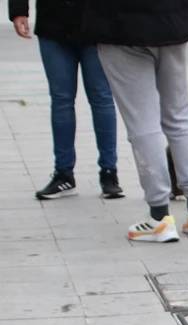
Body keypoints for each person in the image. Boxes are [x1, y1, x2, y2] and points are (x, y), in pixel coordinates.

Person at [83, 0, 188, 242]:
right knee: (179, 115)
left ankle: (159, 214)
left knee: (143, 123)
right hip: (172, 21)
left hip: (120, 25)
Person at [8, 0, 123, 200]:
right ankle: (63, 174)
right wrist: (18, 10)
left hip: (97, 23)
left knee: (101, 98)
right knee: (61, 100)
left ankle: (109, 172)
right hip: (54, 22)